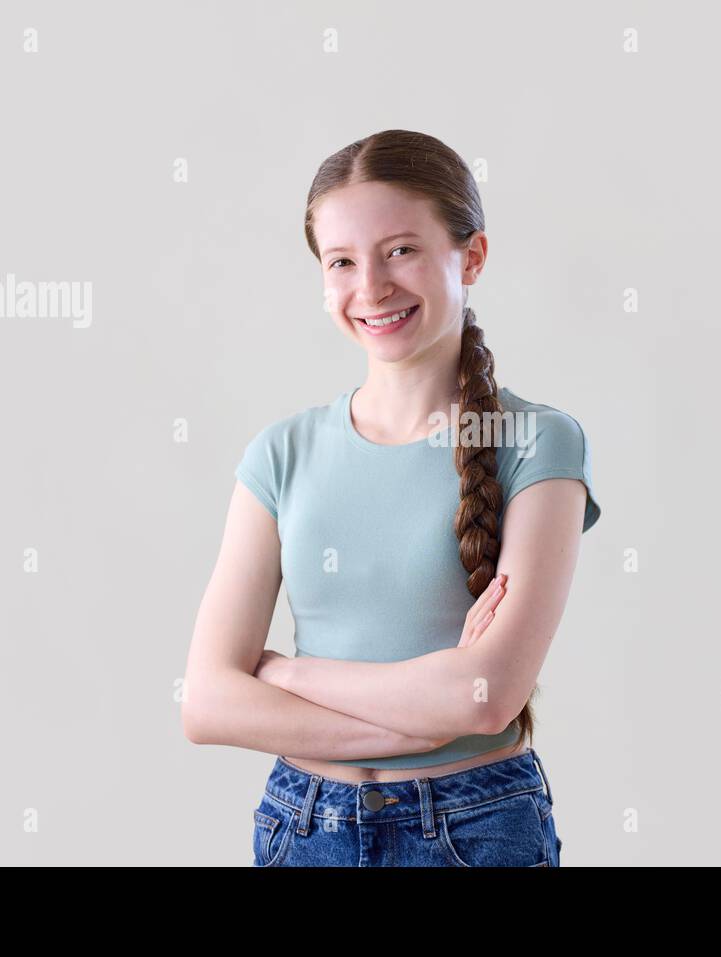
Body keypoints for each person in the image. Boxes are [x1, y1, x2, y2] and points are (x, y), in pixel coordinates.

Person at [183, 129, 602, 866]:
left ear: (470, 255)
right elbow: (208, 701)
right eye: (342, 261)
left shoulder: (538, 442)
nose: (371, 287)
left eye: (401, 250)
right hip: (301, 826)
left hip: (473, 826)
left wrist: (285, 673)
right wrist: (420, 715)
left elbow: (483, 695)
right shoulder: (281, 453)